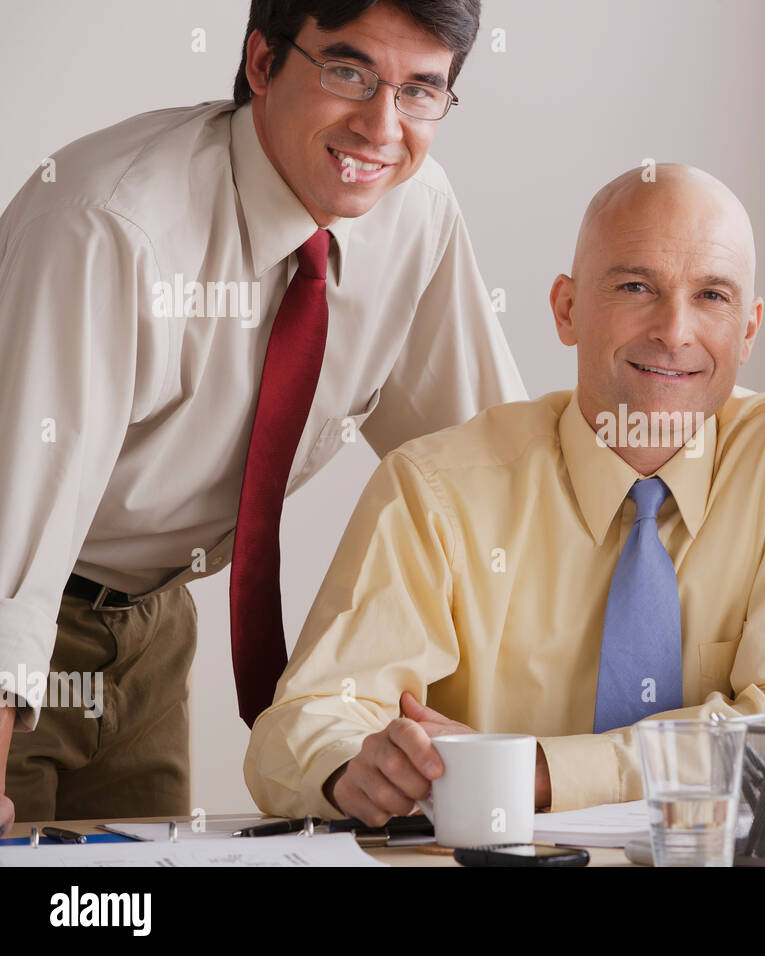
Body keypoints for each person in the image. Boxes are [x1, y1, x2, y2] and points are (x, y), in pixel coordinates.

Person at [0, 0, 526, 833]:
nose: (382, 128)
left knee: (128, 904)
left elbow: (486, 469)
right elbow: (11, 536)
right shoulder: (110, 229)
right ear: (261, 63)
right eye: (348, 71)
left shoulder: (415, 210)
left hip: (154, 622)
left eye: (421, 89)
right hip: (22, 638)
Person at [243, 163, 765, 821]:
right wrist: (353, 768)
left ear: (749, 330)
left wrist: (544, 773)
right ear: (567, 309)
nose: (674, 331)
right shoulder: (435, 488)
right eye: (636, 286)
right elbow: (301, 724)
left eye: (712, 297)